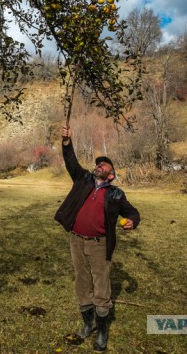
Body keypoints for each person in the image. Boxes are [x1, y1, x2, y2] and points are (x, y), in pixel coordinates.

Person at [54, 126, 140, 352]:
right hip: (76, 241)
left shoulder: (115, 194)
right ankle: (88, 323)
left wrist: (132, 221)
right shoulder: (83, 179)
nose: (99, 165)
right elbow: (70, 161)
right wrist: (66, 142)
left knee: (101, 286)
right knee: (82, 282)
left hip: (99, 245)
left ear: (110, 175)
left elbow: (132, 212)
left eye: (104, 165)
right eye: (98, 163)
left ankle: (102, 331)